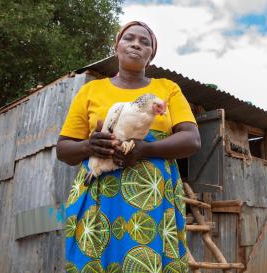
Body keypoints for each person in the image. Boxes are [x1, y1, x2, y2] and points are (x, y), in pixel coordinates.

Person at [56, 21, 200, 273]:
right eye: (129, 38)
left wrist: (145, 149)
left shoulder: (167, 89)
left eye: (145, 42)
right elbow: (63, 150)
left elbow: (192, 139)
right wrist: (90, 145)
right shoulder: (91, 90)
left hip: (154, 198)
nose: (136, 44)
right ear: (116, 46)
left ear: (151, 54)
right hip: (99, 195)